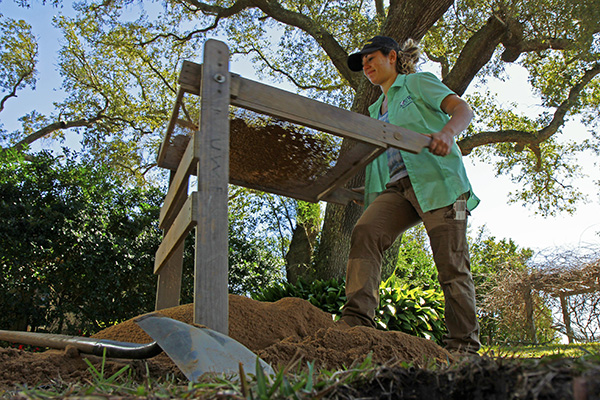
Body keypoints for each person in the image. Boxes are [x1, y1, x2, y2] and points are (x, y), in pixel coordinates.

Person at [339, 36, 481, 355]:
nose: (366, 65)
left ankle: (464, 349)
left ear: (392, 57)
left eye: (371, 58)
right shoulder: (376, 107)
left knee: (451, 263)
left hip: (442, 185)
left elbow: (462, 109)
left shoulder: (418, 84)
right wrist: (366, 192)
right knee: (366, 230)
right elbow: (387, 159)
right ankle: (356, 321)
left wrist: (447, 132)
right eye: (362, 63)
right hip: (400, 188)